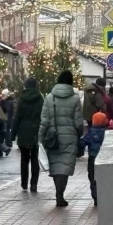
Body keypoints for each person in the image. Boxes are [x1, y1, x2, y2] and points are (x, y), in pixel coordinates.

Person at [39, 71, 84, 207]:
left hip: (52, 138)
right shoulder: (75, 99)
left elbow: (44, 120)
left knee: (55, 166)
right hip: (70, 137)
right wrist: (80, 133)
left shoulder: (49, 98)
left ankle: (58, 191)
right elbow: (78, 122)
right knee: (65, 166)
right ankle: (60, 192)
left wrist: (40, 136)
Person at [12, 77, 44, 192]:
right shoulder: (40, 98)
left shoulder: (22, 98)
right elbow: (43, 115)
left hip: (23, 130)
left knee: (24, 159)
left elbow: (17, 117)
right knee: (35, 158)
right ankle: (34, 184)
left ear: (25, 85)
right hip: (35, 129)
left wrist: (13, 134)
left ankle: (24, 183)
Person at [83, 111, 107, 206]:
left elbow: (83, 142)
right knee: (103, 178)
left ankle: (96, 197)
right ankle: (103, 195)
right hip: (103, 158)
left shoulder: (90, 132)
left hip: (92, 157)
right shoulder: (106, 133)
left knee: (92, 178)